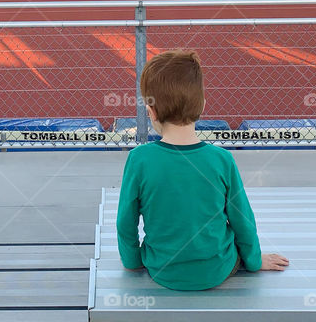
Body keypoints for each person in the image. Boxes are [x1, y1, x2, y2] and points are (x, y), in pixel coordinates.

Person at [116, 50, 289, 290]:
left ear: (151, 112)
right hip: (218, 269)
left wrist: (132, 261)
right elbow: (242, 220)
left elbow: (125, 221)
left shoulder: (139, 160)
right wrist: (254, 260)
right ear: (202, 105)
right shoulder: (221, 159)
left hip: (163, 270)